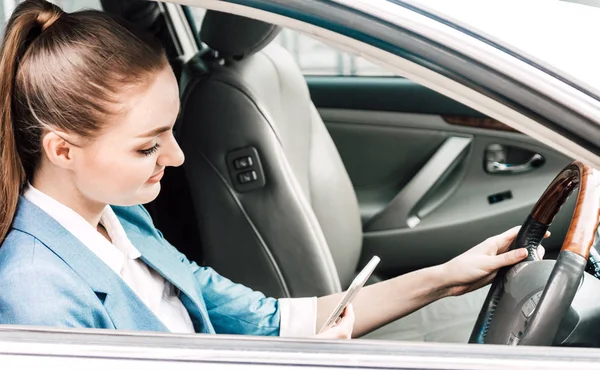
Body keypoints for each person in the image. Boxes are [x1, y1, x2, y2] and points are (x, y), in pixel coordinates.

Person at [0, 0, 535, 340]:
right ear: (62, 150)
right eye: (147, 147)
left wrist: (445, 279)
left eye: (172, 131)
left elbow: (271, 321)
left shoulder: (120, 220)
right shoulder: (36, 297)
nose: (177, 158)